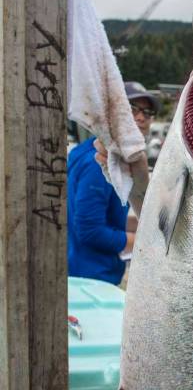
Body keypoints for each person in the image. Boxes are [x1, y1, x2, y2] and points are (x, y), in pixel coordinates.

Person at [67, 82, 158, 285]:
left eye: (147, 112)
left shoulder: (82, 150)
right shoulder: (100, 163)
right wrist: (147, 242)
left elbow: (99, 215)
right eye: (132, 109)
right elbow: (90, 231)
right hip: (91, 280)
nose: (141, 117)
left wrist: (138, 225)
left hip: (78, 272)